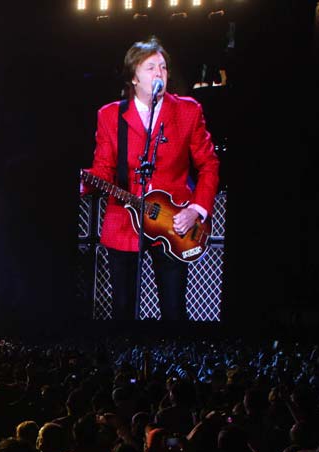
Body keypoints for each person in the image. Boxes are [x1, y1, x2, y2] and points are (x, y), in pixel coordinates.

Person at [83, 37, 219, 322]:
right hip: (124, 219)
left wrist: (196, 209)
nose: (160, 73)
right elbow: (103, 169)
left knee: (173, 311)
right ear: (134, 77)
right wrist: (84, 182)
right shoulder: (110, 115)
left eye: (163, 67)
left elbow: (209, 164)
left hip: (173, 221)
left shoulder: (187, 110)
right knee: (122, 310)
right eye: (151, 68)